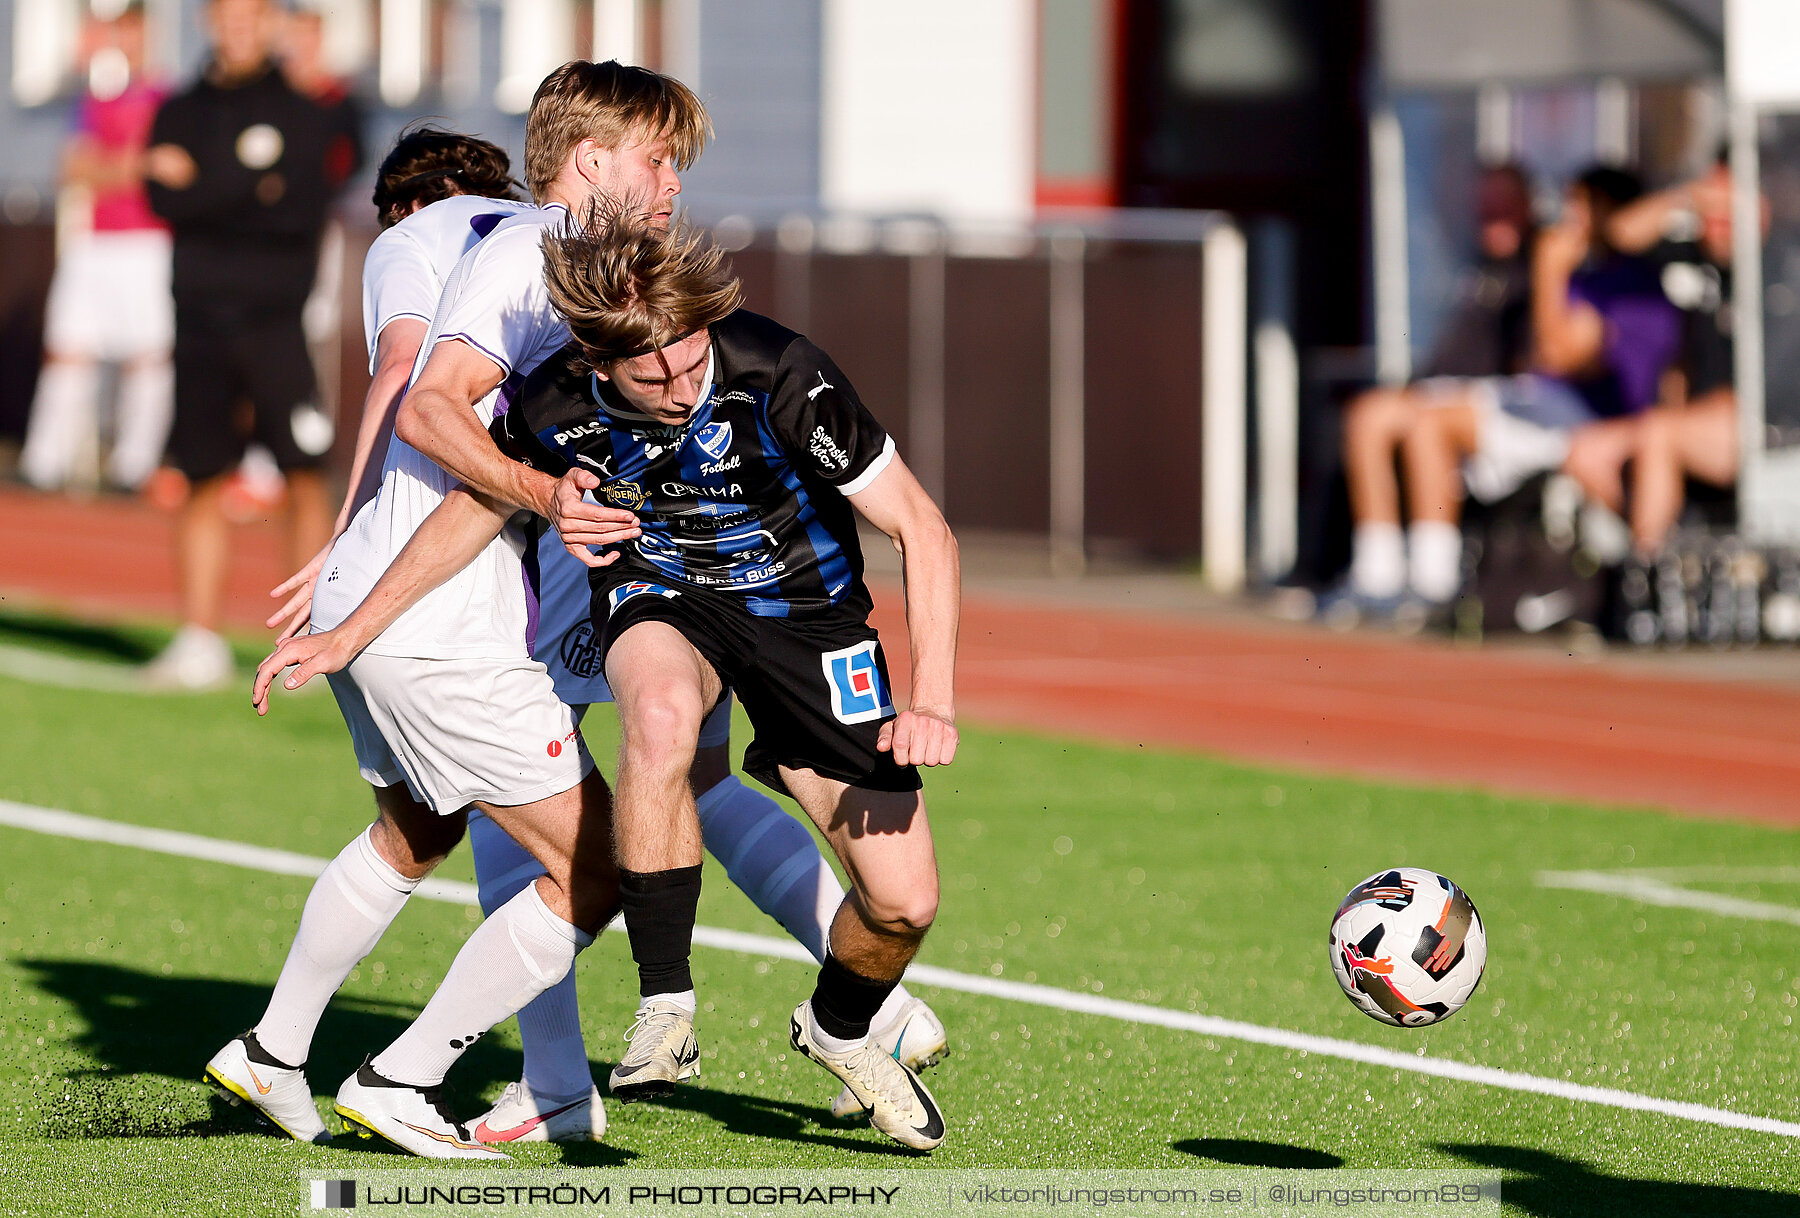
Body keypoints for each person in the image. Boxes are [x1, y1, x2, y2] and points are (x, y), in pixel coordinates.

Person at [254, 122, 945, 1148]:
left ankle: (849, 1019)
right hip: (646, 582)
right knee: (647, 733)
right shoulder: (532, 353)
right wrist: (350, 618)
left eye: (688, 360)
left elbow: (922, 527)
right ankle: (637, 1019)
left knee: (892, 897)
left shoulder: (774, 368)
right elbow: (444, 453)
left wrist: (931, 693)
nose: (675, 389)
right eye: (656, 160)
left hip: (802, 615)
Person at [1323, 166, 1683, 626]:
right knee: (1383, 415)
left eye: (1580, 207)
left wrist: (1548, 269)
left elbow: (1559, 353)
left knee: (1431, 423)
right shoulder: (1558, 272)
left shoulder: (1629, 284)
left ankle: (1432, 582)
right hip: (1542, 400)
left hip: (1586, 414)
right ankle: (1380, 574)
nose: (1568, 218)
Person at [139, 0, 360, 689]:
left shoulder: (303, 111)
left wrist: (202, 183)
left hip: (276, 319)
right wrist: (244, 187)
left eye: (252, 14)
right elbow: (159, 198)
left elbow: (295, 207)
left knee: (302, 470)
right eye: (227, 14)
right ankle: (199, 637)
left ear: (272, 24)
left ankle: (313, 638)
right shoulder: (178, 107)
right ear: (210, 21)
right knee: (202, 473)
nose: (238, 26)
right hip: (199, 315)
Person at [18, 1, 173, 493]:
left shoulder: (168, 98)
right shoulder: (93, 101)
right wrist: (134, 165)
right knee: (68, 351)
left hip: (149, 242)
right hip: (96, 242)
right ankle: (44, 461)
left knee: (148, 357)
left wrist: (110, 167)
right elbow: (71, 169)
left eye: (133, 31)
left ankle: (135, 464)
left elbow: (170, 168)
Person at [1562, 158, 1741, 557]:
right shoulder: (1692, 258)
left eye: (1728, 211)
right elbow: (1621, 232)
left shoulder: (1776, 261)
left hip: (1757, 426)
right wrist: (1691, 196)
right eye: (1711, 212)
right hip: (1688, 421)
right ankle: (1668, 551)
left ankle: (1648, 573)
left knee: (1658, 434)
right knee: (1584, 453)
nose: (1718, 220)